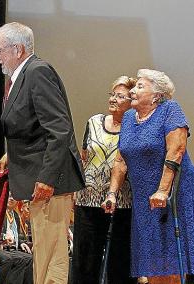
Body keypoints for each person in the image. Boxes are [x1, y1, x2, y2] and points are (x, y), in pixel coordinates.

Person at [0, 22, 85, 284]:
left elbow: (59, 129)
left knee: (51, 254)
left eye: (0, 50)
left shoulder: (38, 72)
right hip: (38, 178)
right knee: (44, 253)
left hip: (50, 181)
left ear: (18, 49)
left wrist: (46, 178)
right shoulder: (21, 76)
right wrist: (10, 154)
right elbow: (31, 125)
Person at [102, 69, 194, 283]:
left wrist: (163, 190)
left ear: (157, 95)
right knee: (151, 260)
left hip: (172, 197)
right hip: (144, 200)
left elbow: (177, 150)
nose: (133, 91)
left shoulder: (170, 110)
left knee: (169, 258)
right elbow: (120, 160)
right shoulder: (128, 118)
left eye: (140, 87)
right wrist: (112, 193)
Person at [72, 76, 136, 284]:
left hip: (122, 202)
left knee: (120, 262)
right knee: (85, 260)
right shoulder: (94, 122)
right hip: (88, 199)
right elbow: (83, 157)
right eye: (112, 94)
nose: (113, 99)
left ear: (131, 102)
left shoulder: (134, 127)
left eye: (120, 96)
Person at [0, 196, 33, 284]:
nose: (11, 199)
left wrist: (21, 243)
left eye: (14, 197)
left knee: (30, 258)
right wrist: (4, 237)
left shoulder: (15, 215)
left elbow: (15, 235)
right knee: (13, 259)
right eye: (9, 196)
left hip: (11, 248)